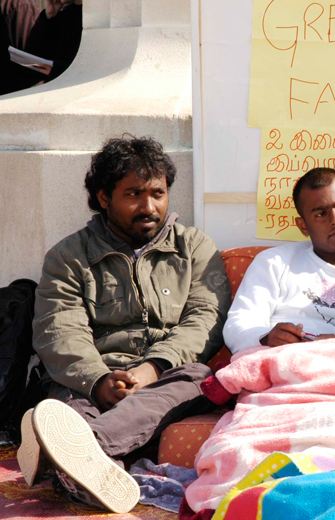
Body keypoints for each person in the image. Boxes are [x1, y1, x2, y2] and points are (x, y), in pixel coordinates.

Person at [17, 135, 231, 513]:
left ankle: (74, 449)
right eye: (133, 194)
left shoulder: (194, 247)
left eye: (158, 193)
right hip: (89, 380)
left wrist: (150, 370)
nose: (149, 206)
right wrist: (99, 381)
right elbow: (58, 330)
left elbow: (205, 321)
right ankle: (93, 469)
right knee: (65, 407)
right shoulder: (68, 256)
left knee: (201, 378)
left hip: (166, 377)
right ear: (104, 198)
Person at [223, 168, 335, 352]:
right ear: (303, 225)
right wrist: (266, 337)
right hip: (280, 360)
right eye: (321, 214)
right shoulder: (274, 263)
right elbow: (238, 326)